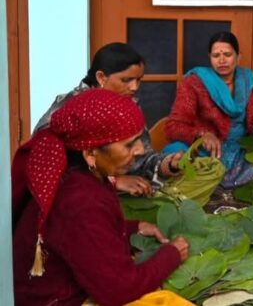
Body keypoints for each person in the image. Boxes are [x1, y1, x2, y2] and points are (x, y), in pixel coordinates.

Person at [12, 89, 189, 306]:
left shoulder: (76, 174)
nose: (141, 150)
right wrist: (170, 255)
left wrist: (133, 229)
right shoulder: (81, 200)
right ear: (90, 154)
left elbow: (80, 236)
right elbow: (119, 291)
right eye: (129, 144)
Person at [34, 42, 182, 196]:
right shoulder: (70, 107)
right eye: (126, 80)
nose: (134, 87)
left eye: (139, 80)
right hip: (77, 198)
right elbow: (46, 162)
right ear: (101, 77)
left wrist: (168, 164)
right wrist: (113, 180)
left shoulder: (128, 107)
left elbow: (140, 159)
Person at [164, 31, 253, 189]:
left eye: (227, 54)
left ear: (238, 56)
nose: (221, 60)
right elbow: (173, 126)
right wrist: (202, 135)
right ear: (210, 57)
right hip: (206, 151)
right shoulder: (194, 83)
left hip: (241, 150)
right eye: (216, 56)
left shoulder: (250, 81)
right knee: (178, 160)